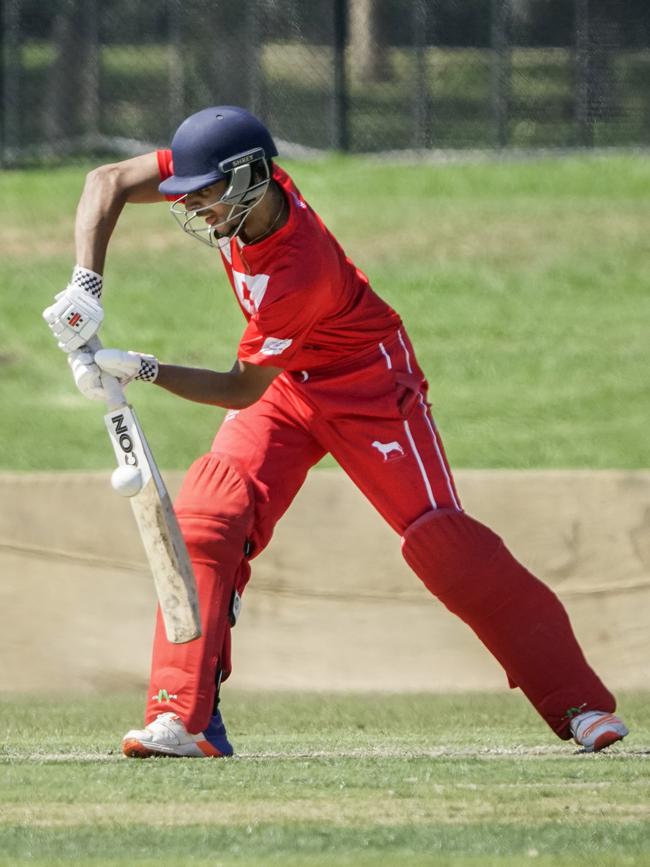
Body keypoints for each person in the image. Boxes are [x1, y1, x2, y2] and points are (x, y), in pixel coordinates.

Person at [43, 105, 628, 757]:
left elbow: (240, 387)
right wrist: (85, 284)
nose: (195, 207)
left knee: (444, 544)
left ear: (247, 180)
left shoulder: (299, 268)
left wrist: (141, 367)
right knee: (210, 515)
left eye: (204, 192)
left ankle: (580, 705)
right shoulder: (240, 184)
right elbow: (107, 180)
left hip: (367, 383)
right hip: (288, 382)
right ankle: (181, 717)